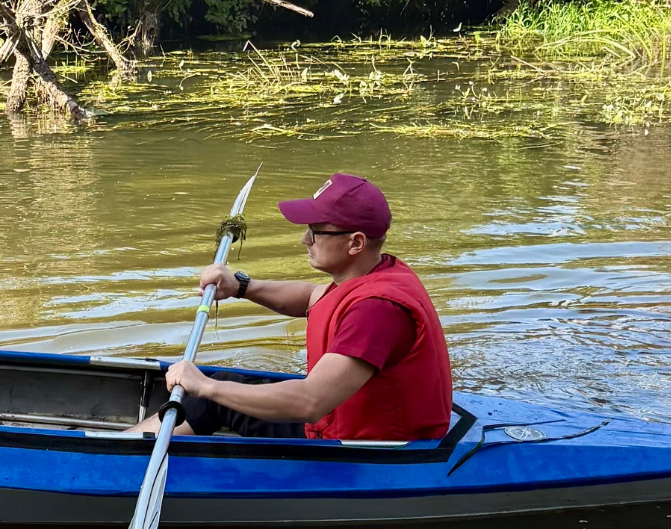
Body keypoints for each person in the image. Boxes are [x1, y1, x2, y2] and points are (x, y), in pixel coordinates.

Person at [137, 172, 452, 442]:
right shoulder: (372, 273)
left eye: (316, 231)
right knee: (219, 388)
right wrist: (241, 286)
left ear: (356, 243)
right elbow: (311, 298)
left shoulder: (376, 310)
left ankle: (117, 453)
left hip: (367, 453)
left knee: (212, 398)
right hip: (340, 423)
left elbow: (310, 402)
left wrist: (206, 386)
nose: (305, 239)